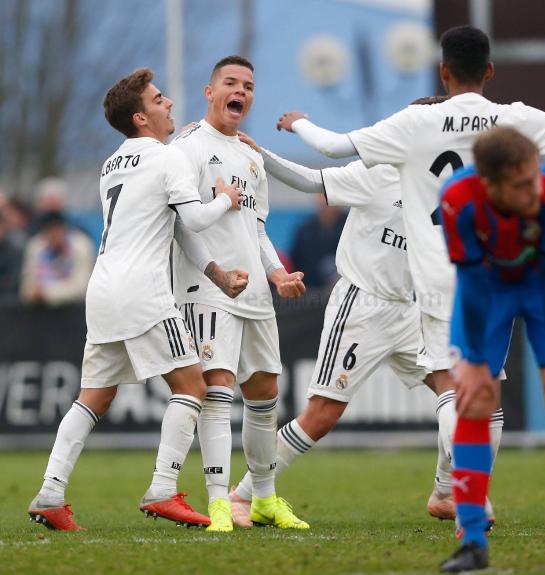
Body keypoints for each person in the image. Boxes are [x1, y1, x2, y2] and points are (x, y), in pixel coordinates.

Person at [273, 25, 545, 447]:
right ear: (489, 71)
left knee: (454, 390)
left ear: (443, 71)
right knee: (479, 390)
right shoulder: (514, 119)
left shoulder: (417, 123)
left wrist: (301, 122)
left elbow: (335, 146)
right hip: (492, 277)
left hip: (434, 280)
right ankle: (463, 493)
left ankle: (462, 491)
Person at [232, 106, 504, 529]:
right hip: (363, 305)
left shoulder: (450, 183)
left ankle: (450, 491)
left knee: (475, 396)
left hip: (417, 308)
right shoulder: (378, 172)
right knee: (321, 415)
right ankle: (243, 494)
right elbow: (310, 180)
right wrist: (260, 153)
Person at [28, 68, 248, 531]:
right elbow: (199, 220)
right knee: (193, 387)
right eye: (159, 99)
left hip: (103, 289)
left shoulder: (112, 164)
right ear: (141, 117)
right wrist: (227, 198)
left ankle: (50, 493)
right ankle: (163, 490)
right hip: (143, 292)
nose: (168, 104)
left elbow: (176, 227)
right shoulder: (167, 159)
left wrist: (217, 275)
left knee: (93, 398)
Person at [439, 127, 545, 573]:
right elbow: (470, 283)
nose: (535, 188)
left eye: (535, 176)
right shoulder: (457, 200)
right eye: (522, 184)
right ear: (490, 184)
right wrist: (472, 361)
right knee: (474, 401)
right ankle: (471, 541)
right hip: (488, 292)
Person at [171, 55, 309, 532]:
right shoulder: (186, 146)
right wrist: (215, 273)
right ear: (209, 92)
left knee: (265, 391)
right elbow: (181, 223)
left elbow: (258, 228)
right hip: (208, 288)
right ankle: (218, 503)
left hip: (253, 292)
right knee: (218, 389)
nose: (241, 91)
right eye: (230, 83)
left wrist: (276, 274)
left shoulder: (251, 155)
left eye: (248, 85)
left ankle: (264, 500)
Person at [20, 210, 95, 307]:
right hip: (41, 312)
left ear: (65, 229)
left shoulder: (81, 246)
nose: (54, 234)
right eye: (49, 230)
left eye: (57, 229)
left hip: (74, 311)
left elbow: (82, 287)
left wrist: (47, 293)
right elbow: (27, 288)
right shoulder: (35, 247)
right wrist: (32, 293)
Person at [290, 193, 347, 290]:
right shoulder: (304, 231)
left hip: (344, 293)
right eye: (322, 195)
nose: (326, 201)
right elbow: (296, 266)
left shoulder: (352, 228)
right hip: (311, 295)